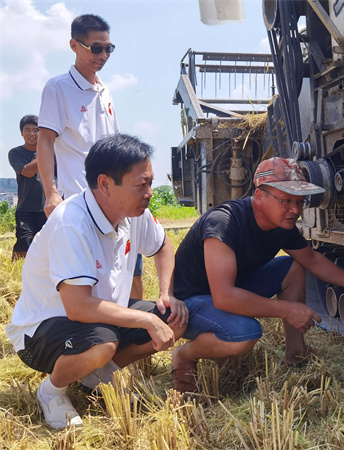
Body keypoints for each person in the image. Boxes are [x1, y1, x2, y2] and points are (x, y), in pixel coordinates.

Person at [5, 134, 188, 429]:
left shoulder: (133, 212)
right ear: (105, 184)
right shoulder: (71, 223)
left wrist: (167, 292)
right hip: (42, 329)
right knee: (103, 342)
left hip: (98, 316)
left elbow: (163, 245)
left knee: (174, 318)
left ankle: (96, 375)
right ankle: (52, 391)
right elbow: (78, 307)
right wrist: (147, 320)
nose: (150, 193)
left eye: (150, 183)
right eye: (141, 184)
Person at [171, 157, 344, 393]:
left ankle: (296, 352)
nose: (295, 210)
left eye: (299, 202)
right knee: (245, 334)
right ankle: (185, 355)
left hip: (233, 288)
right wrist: (288, 310)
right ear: (260, 196)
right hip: (189, 304)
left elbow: (311, 259)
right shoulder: (224, 222)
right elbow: (224, 297)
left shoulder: (281, 226)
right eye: (286, 200)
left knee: (293, 268)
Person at [36, 13, 144, 299]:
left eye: (108, 48)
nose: (103, 55)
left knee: (129, 267)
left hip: (114, 196)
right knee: (89, 279)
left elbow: (117, 145)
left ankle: (133, 318)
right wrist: (51, 193)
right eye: (96, 48)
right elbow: (45, 141)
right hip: (80, 199)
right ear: (74, 45)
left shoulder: (104, 90)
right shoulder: (58, 88)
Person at [7, 115, 46, 259]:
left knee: (50, 244)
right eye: (27, 130)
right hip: (26, 209)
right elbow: (28, 172)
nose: (32, 134)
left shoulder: (55, 153)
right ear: (21, 133)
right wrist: (46, 151)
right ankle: (16, 270)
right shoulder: (15, 153)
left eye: (36, 130)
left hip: (48, 208)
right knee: (24, 242)